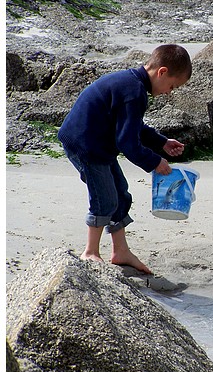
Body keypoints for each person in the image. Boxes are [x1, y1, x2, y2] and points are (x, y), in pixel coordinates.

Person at [58, 44, 192, 274]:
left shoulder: (132, 84)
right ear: (162, 72)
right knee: (105, 198)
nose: (169, 92)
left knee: (120, 193)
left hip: (99, 143)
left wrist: (161, 142)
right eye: (172, 86)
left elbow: (134, 126)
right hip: (85, 144)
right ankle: (90, 251)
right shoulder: (134, 92)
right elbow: (127, 143)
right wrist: (154, 162)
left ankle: (120, 251)